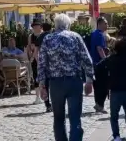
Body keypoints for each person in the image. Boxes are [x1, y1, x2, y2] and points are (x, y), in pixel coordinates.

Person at [38, 13, 94, 141]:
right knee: (75, 117)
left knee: (58, 118)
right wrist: (89, 80)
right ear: (68, 25)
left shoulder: (48, 39)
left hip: (56, 83)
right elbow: (86, 59)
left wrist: (42, 85)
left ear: (55, 25)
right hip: (74, 81)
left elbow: (42, 64)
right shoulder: (75, 37)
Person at [97, 39, 126, 141]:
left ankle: (116, 136)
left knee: (114, 116)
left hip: (115, 91)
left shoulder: (111, 59)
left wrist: (107, 78)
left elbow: (98, 67)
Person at [90, 17, 108, 113]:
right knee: (104, 85)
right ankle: (100, 104)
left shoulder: (93, 33)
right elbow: (99, 49)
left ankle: (98, 104)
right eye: (105, 23)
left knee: (96, 86)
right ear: (100, 24)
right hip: (100, 64)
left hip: (93, 63)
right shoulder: (99, 35)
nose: (107, 25)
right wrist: (106, 60)